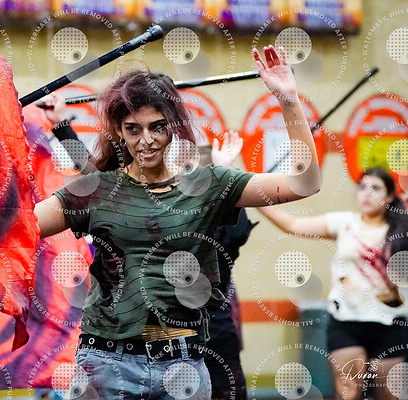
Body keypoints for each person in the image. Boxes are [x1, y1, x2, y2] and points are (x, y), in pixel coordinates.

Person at [33, 45, 322, 399]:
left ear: (174, 127)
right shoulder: (96, 189)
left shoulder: (209, 184)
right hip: (107, 363)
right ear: (119, 131)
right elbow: (22, 228)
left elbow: (304, 184)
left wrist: (288, 100)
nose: (146, 140)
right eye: (133, 129)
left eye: (157, 127)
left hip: (183, 366)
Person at [258, 167, 408, 400]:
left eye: (376, 188)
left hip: (390, 324)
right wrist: (256, 198)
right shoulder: (345, 223)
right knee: (348, 394)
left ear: (389, 196)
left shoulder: (402, 230)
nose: (367, 194)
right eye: (362, 188)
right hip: (346, 323)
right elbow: (293, 225)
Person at [200, 131, 257, 400]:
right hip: (175, 335)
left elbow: (236, 231)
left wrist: (224, 177)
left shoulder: (230, 219)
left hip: (216, 328)